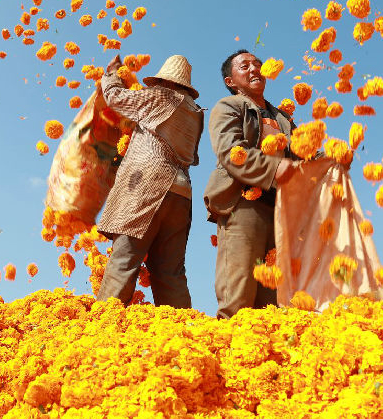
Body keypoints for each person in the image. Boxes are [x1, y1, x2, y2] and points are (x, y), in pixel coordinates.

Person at [96, 54, 205, 308]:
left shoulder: (162, 96)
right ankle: (182, 334)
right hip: (181, 194)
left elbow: (116, 99)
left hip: (150, 186)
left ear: (163, 81)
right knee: (170, 272)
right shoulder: (196, 112)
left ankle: (103, 329)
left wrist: (111, 75)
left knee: (124, 258)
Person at [203, 49, 303, 319]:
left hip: (280, 208)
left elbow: (302, 154)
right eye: (244, 66)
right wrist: (276, 168)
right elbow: (230, 152)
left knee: (275, 297)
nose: (254, 69)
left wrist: (328, 161)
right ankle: (231, 352)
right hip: (243, 203)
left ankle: (264, 355)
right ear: (231, 81)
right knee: (240, 292)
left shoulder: (283, 118)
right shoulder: (229, 106)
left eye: (257, 64)